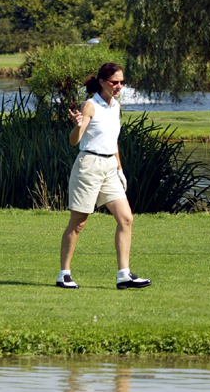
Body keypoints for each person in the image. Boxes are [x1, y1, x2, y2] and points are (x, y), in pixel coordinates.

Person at [57, 62, 151, 290]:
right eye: (114, 82)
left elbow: (113, 141)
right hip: (89, 165)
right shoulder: (90, 106)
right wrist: (77, 126)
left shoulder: (116, 106)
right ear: (101, 82)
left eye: (121, 82)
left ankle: (124, 274)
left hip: (110, 166)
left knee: (126, 218)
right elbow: (74, 141)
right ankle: (64, 274)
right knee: (79, 223)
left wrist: (119, 170)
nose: (118, 86)